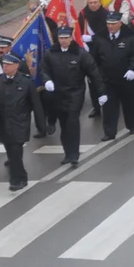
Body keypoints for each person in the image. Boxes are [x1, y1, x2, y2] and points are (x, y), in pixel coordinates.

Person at [41, 26, 105, 167]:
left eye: (66, 38)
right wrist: (47, 81)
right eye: (61, 38)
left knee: (72, 122)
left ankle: (74, 155)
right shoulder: (50, 53)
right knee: (64, 124)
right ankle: (67, 153)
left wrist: (101, 93)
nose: (63, 41)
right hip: (58, 94)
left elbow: (94, 73)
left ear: (71, 38)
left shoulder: (80, 54)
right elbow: (44, 69)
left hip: (75, 93)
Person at [0, 55, 46, 190]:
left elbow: (36, 105)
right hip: (4, 123)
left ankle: (17, 179)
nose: (5, 66)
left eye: (8, 64)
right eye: (4, 64)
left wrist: (41, 125)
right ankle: (21, 175)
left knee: (15, 151)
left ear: (16, 66)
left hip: (20, 122)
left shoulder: (26, 82)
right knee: (10, 150)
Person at [92, 11, 134, 141]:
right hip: (107, 79)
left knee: (129, 103)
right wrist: (97, 74)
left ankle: (132, 125)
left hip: (126, 78)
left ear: (120, 23)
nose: (110, 26)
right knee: (109, 107)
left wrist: (133, 69)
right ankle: (109, 132)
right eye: (108, 23)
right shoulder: (100, 37)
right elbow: (94, 58)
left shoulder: (129, 36)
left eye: (113, 24)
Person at [78, 0, 109, 117]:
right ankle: (96, 107)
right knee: (91, 80)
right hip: (88, 52)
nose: (93, 5)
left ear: (100, 3)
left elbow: (107, 31)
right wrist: (81, 41)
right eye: (90, 3)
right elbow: (78, 29)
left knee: (103, 80)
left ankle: (107, 105)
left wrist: (93, 38)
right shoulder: (83, 14)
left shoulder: (106, 14)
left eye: (95, 2)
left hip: (103, 51)